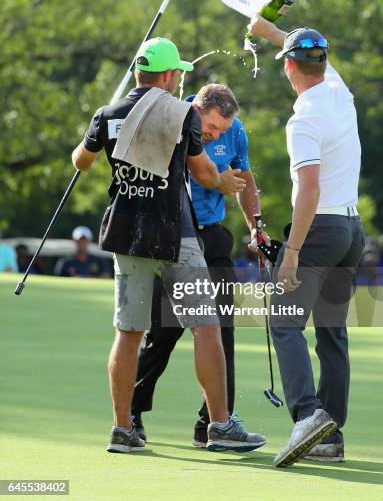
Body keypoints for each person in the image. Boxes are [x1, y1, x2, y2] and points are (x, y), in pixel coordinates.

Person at [71, 37, 266, 454]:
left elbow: (81, 162)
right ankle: (219, 425)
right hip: (174, 235)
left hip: (124, 234)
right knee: (207, 328)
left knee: (128, 333)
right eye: (176, 72)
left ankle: (123, 429)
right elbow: (205, 173)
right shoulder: (182, 115)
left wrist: (99, 125)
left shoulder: (107, 114)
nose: (179, 78)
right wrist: (224, 181)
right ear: (167, 76)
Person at [248, 17, 365, 467]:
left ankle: (308, 416)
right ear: (322, 62)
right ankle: (331, 438)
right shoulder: (337, 90)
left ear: (288, 69)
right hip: (352, 231)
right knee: (332, 334)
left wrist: (291, 251)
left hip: (320, 233)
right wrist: (269, 29)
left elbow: (309, 191)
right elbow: (305, 51)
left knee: (283, 321)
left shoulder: (303, 120)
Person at [131, 83, 269, 446]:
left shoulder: (234, 131)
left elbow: (245, 178)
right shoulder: (173, 120)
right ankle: (132, 411)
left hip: (213, 238)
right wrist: (216, 180)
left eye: (221, 131)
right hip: (174, 239)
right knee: (163, 333)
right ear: (197, 109)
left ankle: (214, 422)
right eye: (211, 128)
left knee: (222, 329)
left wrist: (256, 226)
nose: (215, 135)